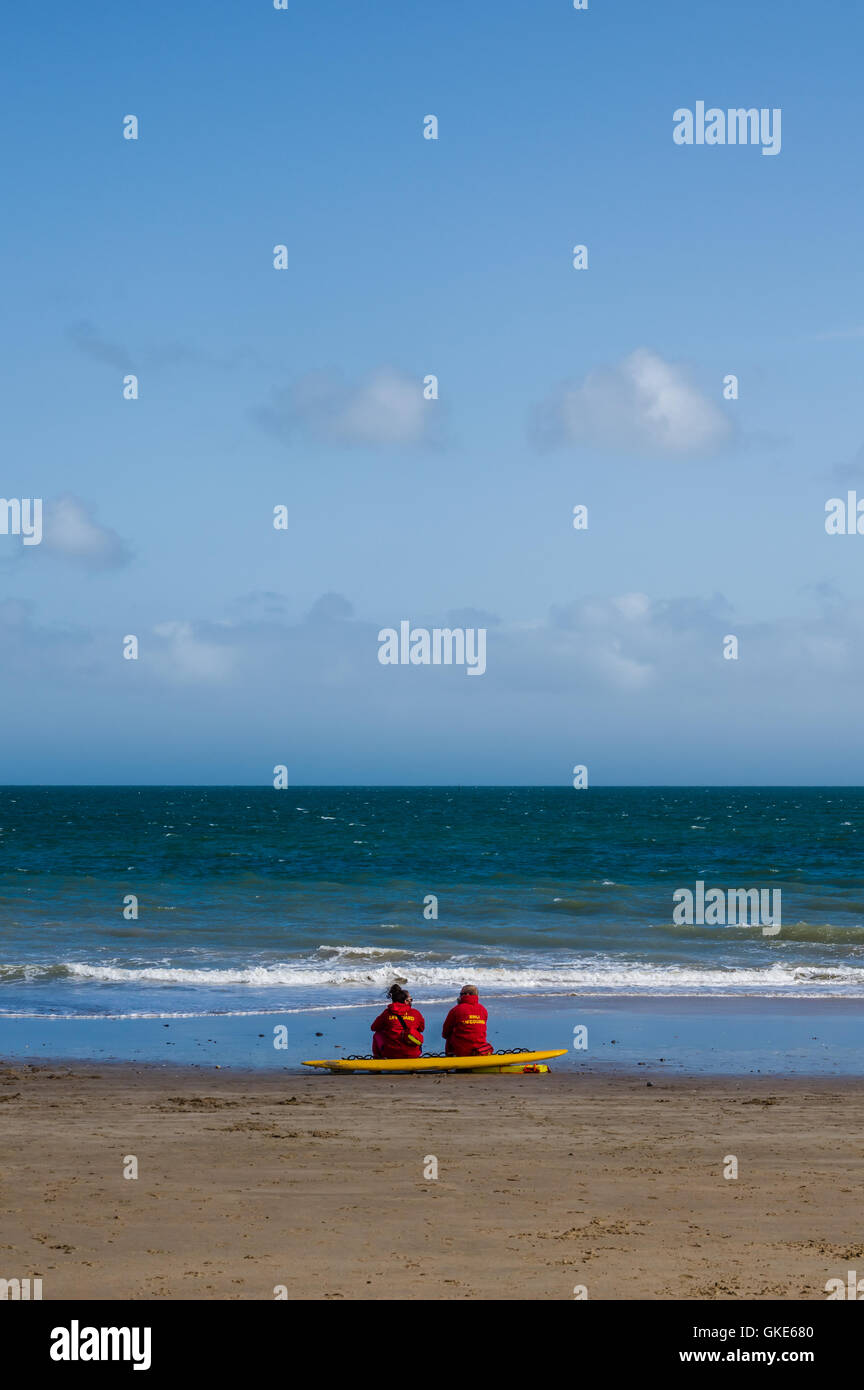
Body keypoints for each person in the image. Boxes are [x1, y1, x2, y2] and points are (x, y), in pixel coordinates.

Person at [371, 984, 425, 1059]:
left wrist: (389, 1025)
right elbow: (421, 1029)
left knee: (378, 1034)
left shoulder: (386, 1013)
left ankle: (377, 1059)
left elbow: (374, 1027)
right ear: (405, 1001)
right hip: (413, 1053)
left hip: (391, 1053)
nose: (411, 1001)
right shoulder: (416, 1013)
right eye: (410, 1000)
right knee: (415, 1031)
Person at [442, 984, 493, 1057]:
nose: (459, 997)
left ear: (467, 994)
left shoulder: (456, 1010)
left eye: (461, 994)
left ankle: (451, 1057)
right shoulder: (483, 1009)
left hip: (462, 1050)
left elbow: (445, 1033)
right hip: (480, 1049)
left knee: (450, 1035)